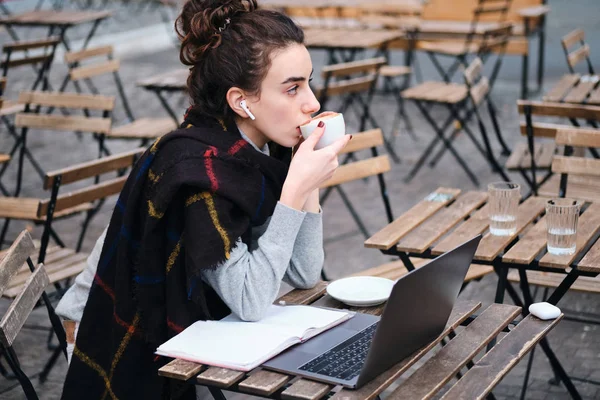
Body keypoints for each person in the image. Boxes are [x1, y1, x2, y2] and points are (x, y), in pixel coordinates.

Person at [59, 0, 351, 398]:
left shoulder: (263, 154)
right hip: (106, 327)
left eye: (309, 82)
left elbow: (304, 273)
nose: (313, 102)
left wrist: (308, 175)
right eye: (293, 88)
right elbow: (250, 300)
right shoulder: (198, 173)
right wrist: (295, 190)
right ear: (240, 101)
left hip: (195, 321)